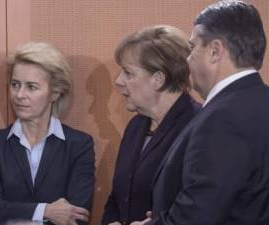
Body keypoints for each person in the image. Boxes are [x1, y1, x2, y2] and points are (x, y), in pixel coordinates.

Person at [134, 1, 269, 225]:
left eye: (192, 48)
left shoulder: (223, 117)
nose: (188, 60)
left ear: (215, 51)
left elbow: (200, 213)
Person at [0, 42, 95, 225]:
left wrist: (14, 216)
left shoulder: (79, 145)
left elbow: (76, 217)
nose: (19, 95)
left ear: (54, 93)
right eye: (15, 84)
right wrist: (46, 211)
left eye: (31, 87)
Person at [101, 25, 201, 225]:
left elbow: (201, 204)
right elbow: (118, 197)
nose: (119, 81)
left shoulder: (199, 126)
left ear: (158, 79)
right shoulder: (136, 126)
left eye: (128, 73)